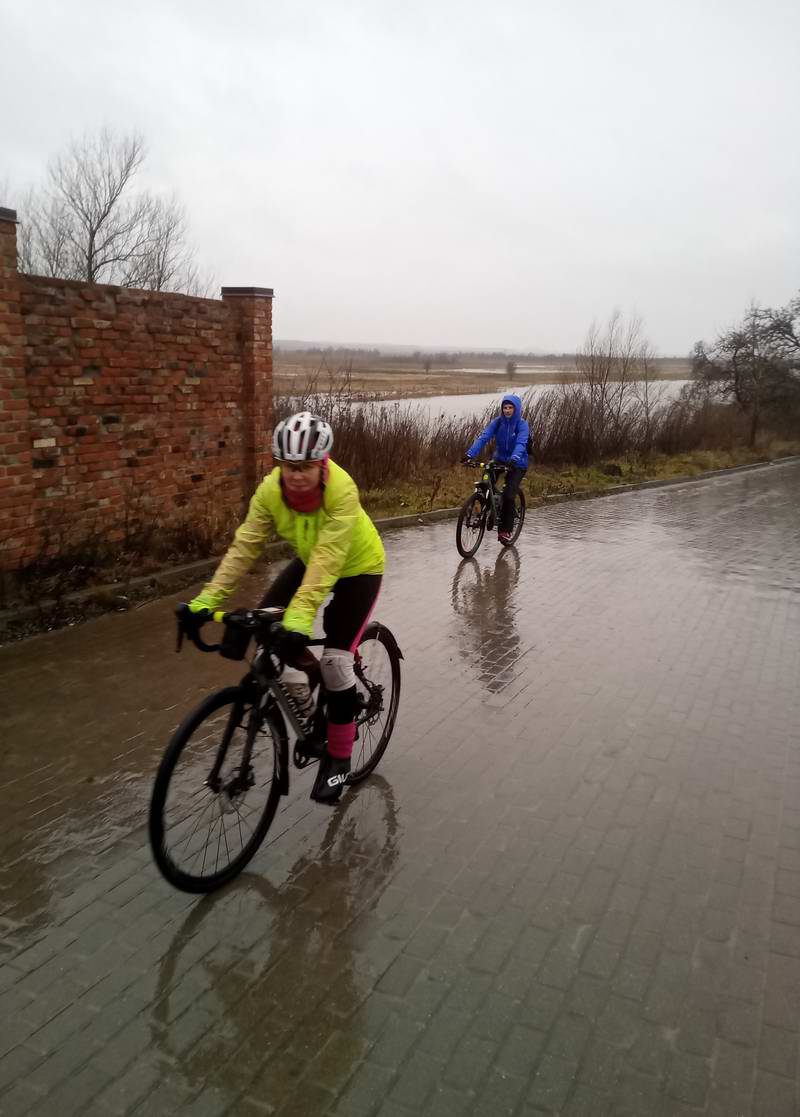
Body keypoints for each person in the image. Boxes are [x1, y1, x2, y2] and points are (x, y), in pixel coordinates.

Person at [187, 411, 385, 805]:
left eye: (305, 467)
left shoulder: (341, 491)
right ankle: (310, 702)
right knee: (266, 635)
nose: (295, 475)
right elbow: (245, 546)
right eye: (288, 466)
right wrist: (206, 601)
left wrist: (298, 617)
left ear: (322, 462)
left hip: (358, 568)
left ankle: (339, 758)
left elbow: (330, 557)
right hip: (312, 561)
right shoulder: (270, 492)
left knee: (335, 662)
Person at [461, 393, 529, 542]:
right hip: (499, 460)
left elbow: (521, 444)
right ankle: (491, 507)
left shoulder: (522, 425)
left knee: (509, 495)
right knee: (485, 483)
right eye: (505, 407)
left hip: (517, 463)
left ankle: (505, 530)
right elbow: (483, 437)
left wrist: (514, 458)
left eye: (511, 407)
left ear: (516, 409)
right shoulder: (497, 422)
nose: (507, 410)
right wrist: (469, 455)